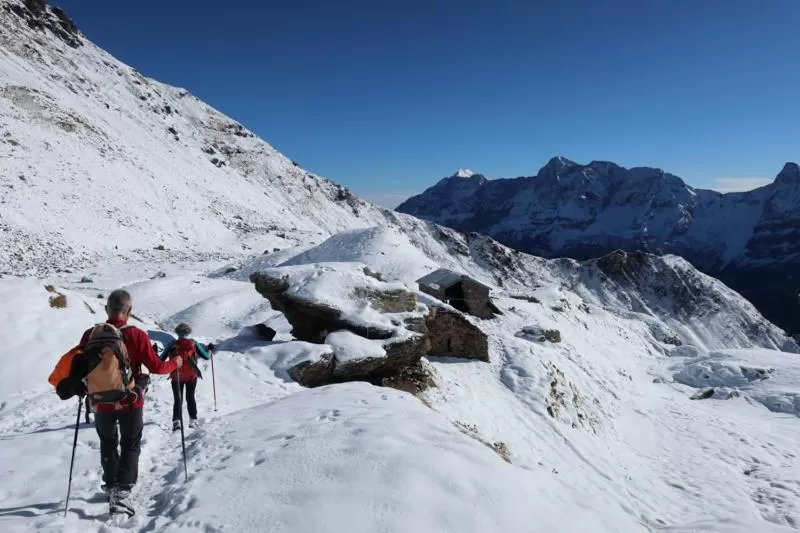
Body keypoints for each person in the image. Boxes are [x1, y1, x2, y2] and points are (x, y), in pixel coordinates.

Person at [61, 290, 183, 515]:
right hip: (130, 401)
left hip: (99, 402)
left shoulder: (91, 334)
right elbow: (156, 367)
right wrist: (175, 363)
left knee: (107, 442)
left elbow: (79, 365)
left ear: (107, 309)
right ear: (129, 311)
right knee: (130, 443)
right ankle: (122, 491)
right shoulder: (137, 335)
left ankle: (110, 484)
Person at [162, 323, 212, 430]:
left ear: (177, 332)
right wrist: (209, 350)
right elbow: (206, 357)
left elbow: (161, 359)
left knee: (177, 400)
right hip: (191, 376)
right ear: (188, 332)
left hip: (176, 376)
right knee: (190, 397)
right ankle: (193, 420)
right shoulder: (193, 343)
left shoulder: (171, 344)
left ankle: (176, 422)